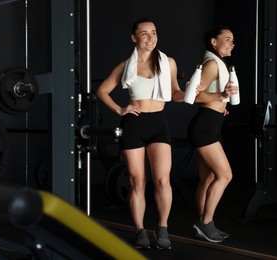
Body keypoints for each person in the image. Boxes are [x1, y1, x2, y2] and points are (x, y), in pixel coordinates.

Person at [96, 18, 187, 250]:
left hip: (158, 123)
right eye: (144, 34)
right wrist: (119, 109)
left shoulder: (168, 63)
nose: (151, 38)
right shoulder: (126, 65)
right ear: (134, 38)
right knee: (137, 181)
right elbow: (102, 91)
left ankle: (163, 227)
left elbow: (175, 93)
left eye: (154, 33)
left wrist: (189, 93)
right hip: (133, 124)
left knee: (162, 180)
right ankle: (140, 231)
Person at [187, 25, 239, 243]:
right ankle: (206, 223)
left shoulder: (217, 62)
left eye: (233, 40)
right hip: (205, 127)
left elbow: (211, 96)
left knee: (207, 177)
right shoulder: (210, 63)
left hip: (212, 123)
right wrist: (221, 95)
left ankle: (203, 222)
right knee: (225, 175)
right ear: (214, 42)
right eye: (227, 39)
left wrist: (222, 103)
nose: (232, 44)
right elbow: (194, 97)